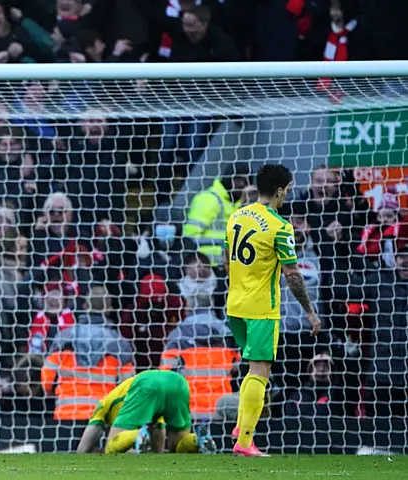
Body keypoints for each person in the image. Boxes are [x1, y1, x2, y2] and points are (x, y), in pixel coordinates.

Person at [225, 164, 321, 457]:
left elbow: (226, 260)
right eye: (288, 190)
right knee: (260, 371)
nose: (287, 195)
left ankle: (242, 424)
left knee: (251, 369)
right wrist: (309, 310)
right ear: (280, 190)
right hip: (261, 308)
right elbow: (292, 274)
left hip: (235, 305)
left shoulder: (236, 215)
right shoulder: (280, 226)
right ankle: (245, 441)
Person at [76, 369, 211, 455]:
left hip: (146, 385)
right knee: (177, 448)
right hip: (179, 382)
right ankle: (198, 440)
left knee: (111, 449)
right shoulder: (152, 413)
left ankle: (136, 435)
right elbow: (158, 447)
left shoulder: (102, 405)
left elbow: (82, 449)